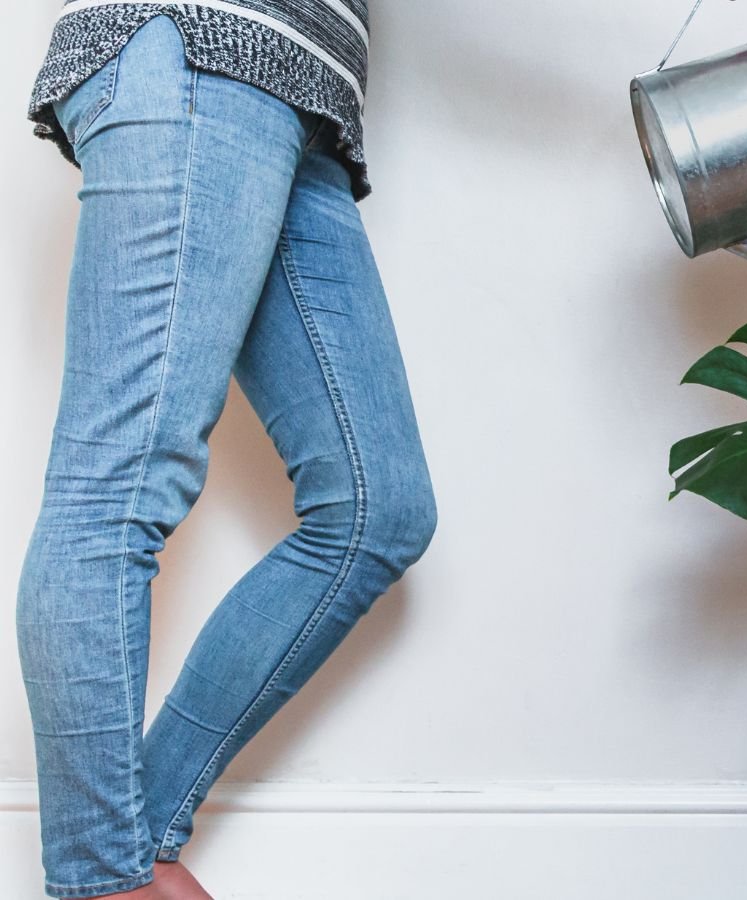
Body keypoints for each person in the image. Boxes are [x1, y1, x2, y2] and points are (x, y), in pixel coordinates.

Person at [16, 3, 437, 897]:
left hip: (303, 103)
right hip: (203, 43)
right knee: (117, 487)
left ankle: (133, 845)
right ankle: (101, 879)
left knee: (378, 508)